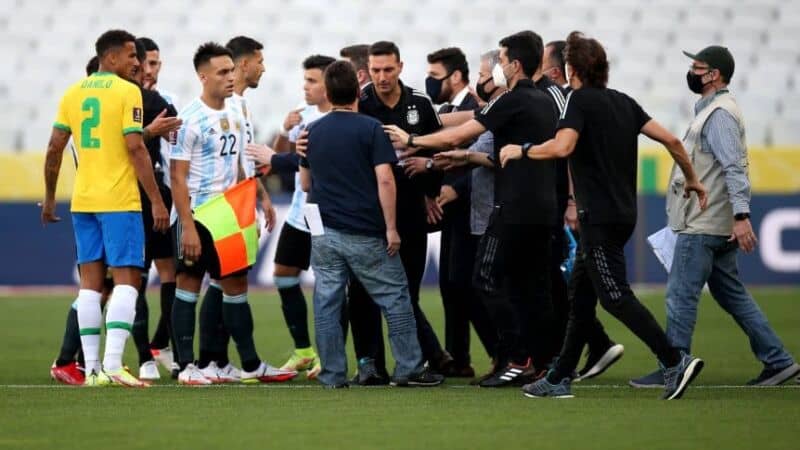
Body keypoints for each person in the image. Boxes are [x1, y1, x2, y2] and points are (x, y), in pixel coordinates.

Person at [501, 31, 707, 400]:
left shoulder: (576, 102)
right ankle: (559, 377)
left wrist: (523, 149)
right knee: (580, 297)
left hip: (597, 216)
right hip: (625, 214)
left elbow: (563, 146)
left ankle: (674, 360)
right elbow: (673, 141)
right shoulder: (625, 102)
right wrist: (693, 180)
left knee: (614, 296)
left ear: (571, 69)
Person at [384, 31, 559, 387]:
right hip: (543, 206)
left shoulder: (510, 99)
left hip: (511, 208)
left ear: (515, 65)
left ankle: (515, 358)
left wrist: (411, 139)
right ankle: (542, 363)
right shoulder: (544, 101)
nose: (495, 70)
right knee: (532, 286)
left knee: (485, 278)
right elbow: (497, 151)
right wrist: (468, 157)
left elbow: (459, 132)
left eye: (502, 60)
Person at [629, 46, 800, 388]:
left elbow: (734, 168)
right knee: (731, 294)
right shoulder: (711, 110)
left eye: (698, 67)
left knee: (680, 294)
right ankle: (779, 361)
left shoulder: (719, 114)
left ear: (715, 74)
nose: (692, 71)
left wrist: (741, 215)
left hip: (705, 221)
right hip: (712, 221)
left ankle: (674, 366)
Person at [297, 60, 443, 388]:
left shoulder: (312, 132)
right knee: (395, 295)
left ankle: (333, 374)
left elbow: (306, 183)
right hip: (363, 229)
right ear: (357, 94)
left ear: (329, 92)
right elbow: (385, 180)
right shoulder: (370, 128)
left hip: (323, 230)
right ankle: (409, 367)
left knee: (327, 301)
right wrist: (391, 228)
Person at [42, 29, 169, 387]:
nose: (136, 63)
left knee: (90, 286)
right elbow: (136, 148)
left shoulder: (72, 93)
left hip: (83, 201)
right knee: (128, 280)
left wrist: (51, 197)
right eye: (131, 56)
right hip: (119, 201)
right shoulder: (128, 92)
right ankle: (114, 364)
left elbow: (54, 148)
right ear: (110, 58)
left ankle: (92, 370)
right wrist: (157, 201)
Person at [169, 42, 291, 385]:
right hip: (198, 212)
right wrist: (188, 227)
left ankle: (250, 364)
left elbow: (240, 168)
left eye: (230, 70)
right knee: (189, 285)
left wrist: (253, 203)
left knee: (236, 285)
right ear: (203, 76)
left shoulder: (237, 112)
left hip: (229, 213)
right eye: (222, 72)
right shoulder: (188, 119)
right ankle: (186, 366)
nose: (229, 78)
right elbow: (177, 177)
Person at [349, 41, 448, 385]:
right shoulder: (359, 102)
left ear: (401, 67)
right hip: (368, 213)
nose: (381, 77)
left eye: (388, 69)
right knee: (362, 290)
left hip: (409, 212)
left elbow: (441, 150)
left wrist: (429, 184)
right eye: (375, 70)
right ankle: (370, 364)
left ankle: (413, 363)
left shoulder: (420, 104)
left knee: (408, 289)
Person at [247, 54, 337, 379]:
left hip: (324, 213)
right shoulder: (303, 114)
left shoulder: (341, 117)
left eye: (312, 81)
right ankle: (302, 350)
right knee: (284, 274)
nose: (306, 87)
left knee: (330, 282)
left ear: (330, 84)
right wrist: (284, 131)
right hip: (301, 212)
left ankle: (330, 356)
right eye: (305, 80)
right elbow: (276, 161)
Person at [423, 46, 483, 377]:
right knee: (450, 284)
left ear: (456, 76)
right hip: (452, 211)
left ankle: (506, 355)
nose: (429, 83)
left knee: (466, 284)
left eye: (434, 76)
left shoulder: (476, 110)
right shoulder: (447, 109)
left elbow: (486, 159)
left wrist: (455, 189)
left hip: (472, 208)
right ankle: (458, 359)